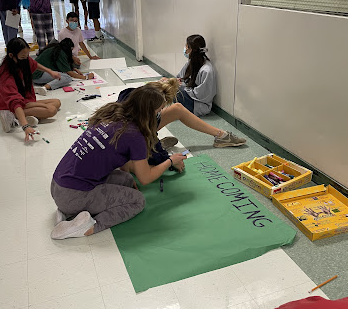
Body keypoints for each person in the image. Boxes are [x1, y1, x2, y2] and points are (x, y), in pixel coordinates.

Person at [50, 83, 188, 240]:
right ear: (148, 113)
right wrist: (170, 161)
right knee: (137, 202)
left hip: (58, 186)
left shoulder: (111, 112)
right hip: (73, 195)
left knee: (127, 179)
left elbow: (123, 161)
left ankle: (69, 210)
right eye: (157, 112)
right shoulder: (136, 135)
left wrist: (125, 185)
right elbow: (145, 178)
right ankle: (87, 227)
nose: (158, 116)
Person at [117, 79, 246, 170]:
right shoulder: (140, 125)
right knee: (138, 165)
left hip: (134, 132)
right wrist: (170, 161)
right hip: (125, 145)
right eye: (159, 110)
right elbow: (157, 163)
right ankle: (151, 148)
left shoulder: (130, 93)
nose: (160, 112)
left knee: (177, 108)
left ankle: (221, 135)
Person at [0, 37, 62, 140]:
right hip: (10, 105)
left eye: (27, 56)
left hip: (24, 100)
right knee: (51, 110)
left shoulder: (22, 59)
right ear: (11, 55)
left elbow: (34, 64)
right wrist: (25, 126)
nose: (26, 59)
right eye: (23, 57)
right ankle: (13, 116)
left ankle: (25, 115)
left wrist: (50, 72)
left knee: (57, 102)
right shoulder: (6, 76)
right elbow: (14, 102)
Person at [175, 34, 216, 116]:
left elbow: (202, 95)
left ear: (192, 50)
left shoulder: (207, 70)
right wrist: (172, 81)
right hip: (189, 96)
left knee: (174, 90)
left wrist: (182, 87)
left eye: (187, 47)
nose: (185, 50)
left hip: (199, 105)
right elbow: (180, 77)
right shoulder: (190, 63)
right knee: (167, 85)